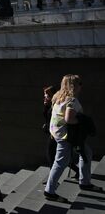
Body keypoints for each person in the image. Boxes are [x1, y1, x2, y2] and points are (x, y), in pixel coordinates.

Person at [44, 75, 103, 203]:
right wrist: (82, 121)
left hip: (57, 133)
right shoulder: (71, 100)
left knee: (86, 152)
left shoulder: (58, 97)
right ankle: (49, 191)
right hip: (66, 136)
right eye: (79, 83)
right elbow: (69, 119)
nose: (81, 86)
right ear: (73, 86)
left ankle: (85, 182)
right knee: (60, 162)